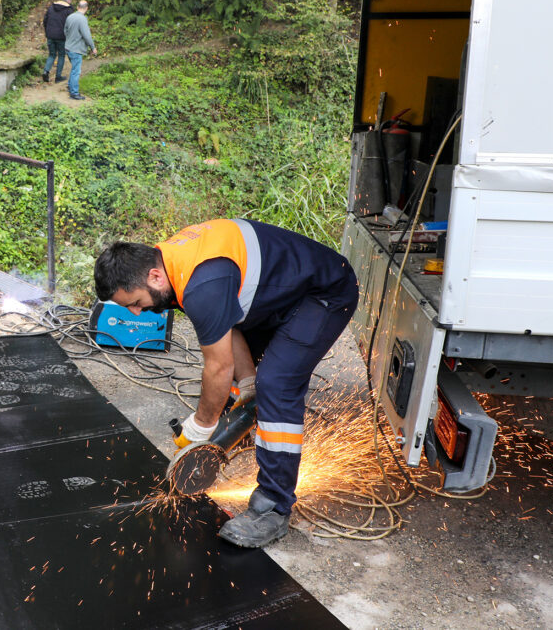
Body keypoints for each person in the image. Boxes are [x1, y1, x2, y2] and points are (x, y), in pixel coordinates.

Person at [94, 219, 358, 548]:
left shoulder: (203, 282)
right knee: (250, 384)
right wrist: (247, 382)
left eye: (134, 302)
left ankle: (273, 509)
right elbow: (227, 327)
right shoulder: (171, 265)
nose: (136, 313)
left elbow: (218, 367)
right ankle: (244, 431)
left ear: (154, 277)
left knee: (276, 383)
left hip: (324, 293)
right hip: (280, 294)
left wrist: (201, 426)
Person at [63, 0, 97, 101]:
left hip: (68, 47)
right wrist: (93, 47)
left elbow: (65, 31)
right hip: (76, 49)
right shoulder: (82, 19)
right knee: (76, 71)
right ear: (86, 8)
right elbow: (86, 35)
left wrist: (70, 39)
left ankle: (70, 86)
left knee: (74, 69)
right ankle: (74, 93)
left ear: (78, 7)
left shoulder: (70, 17)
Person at [42, 0, 75, 84]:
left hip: (50, 35)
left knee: (52, 55)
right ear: (68, 1)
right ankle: (58, 76)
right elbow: (72, 24)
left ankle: (46, 71)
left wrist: (47, 32)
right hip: (61, 37)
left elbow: (45, 21)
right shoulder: (69, 10)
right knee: (61, 55)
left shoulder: (51, 7)